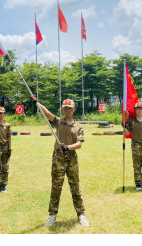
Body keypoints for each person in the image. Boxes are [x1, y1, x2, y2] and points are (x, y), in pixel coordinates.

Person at [32, 95, 89, 228]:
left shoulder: (78, 126)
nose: (67, 110)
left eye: (70, 108)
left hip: (71, 160)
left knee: (75, 187)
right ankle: (52, 215)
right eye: (65, 108)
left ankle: (81, 214)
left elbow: (79, 144)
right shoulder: (58, 122)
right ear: (63, 109)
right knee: (56, 188)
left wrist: (67, 147)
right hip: (58, 159)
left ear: (74, 109)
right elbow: (47, 113)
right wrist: (37, 103)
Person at [123, 102, 142, 191]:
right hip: (136, 145)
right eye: (137, 108)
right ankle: (138, 184)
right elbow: (128, 133)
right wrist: (124, 126)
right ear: (135, 110)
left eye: (141, 108)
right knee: (137, 165)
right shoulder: (131, 121)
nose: (139, 110)